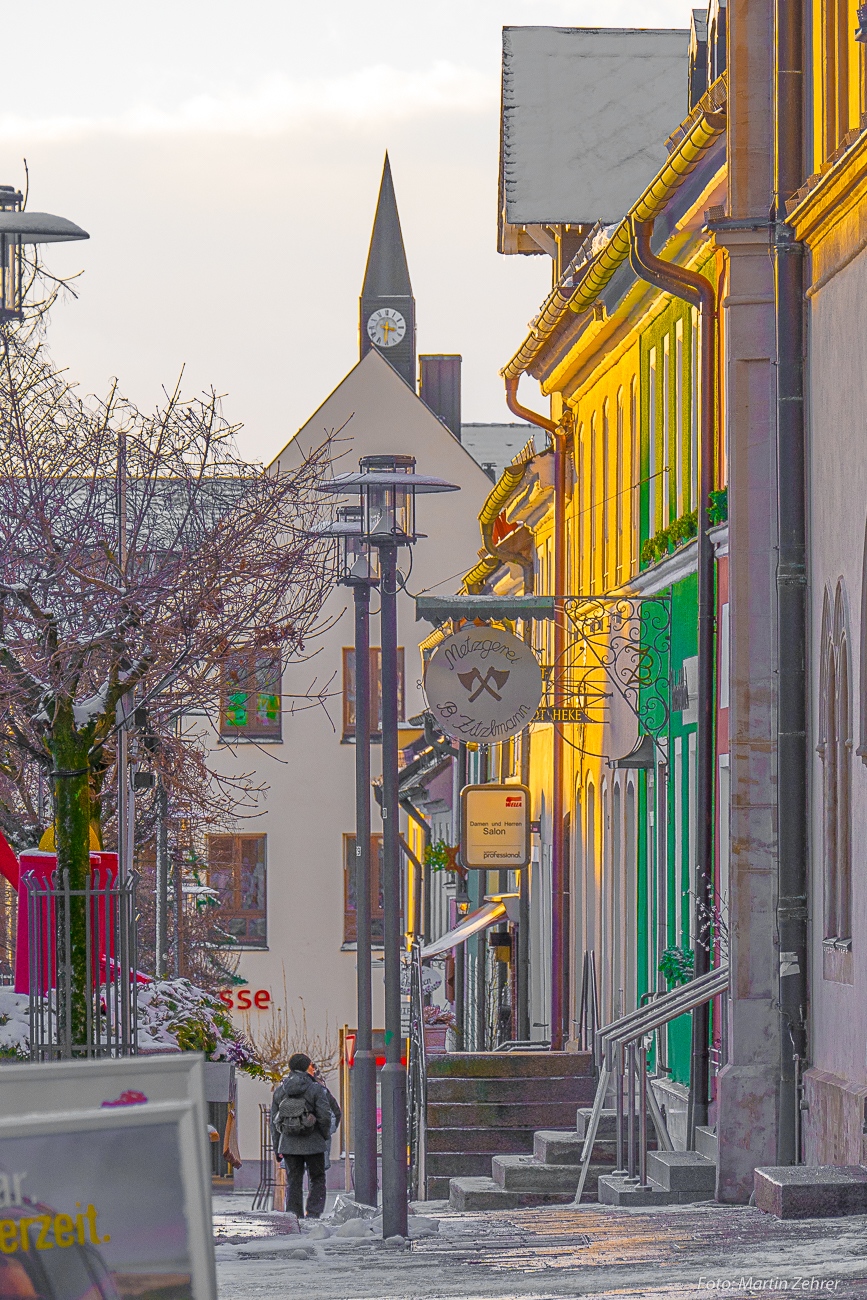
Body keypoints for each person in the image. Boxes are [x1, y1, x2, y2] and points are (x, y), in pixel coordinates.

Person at [271, 1052, 333, 1219]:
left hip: (289, 1144)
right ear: (307, 1067)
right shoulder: (316, 1089)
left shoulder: (280, 1091)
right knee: (317, 1178)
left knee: (294, 1181)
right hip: (314, 1143)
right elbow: (325, 1115)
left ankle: (294, 1214)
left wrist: (277, 1147)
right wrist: (324, 1135)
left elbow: (274, 1122)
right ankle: (313, 1213)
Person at [312, 1064, 341, 1172]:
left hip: (296, 1145)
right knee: (317, 1179)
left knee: (295, 1179)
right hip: (319, 1141)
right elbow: (335, 1113)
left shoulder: (289, 1089)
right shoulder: (322, 1091)